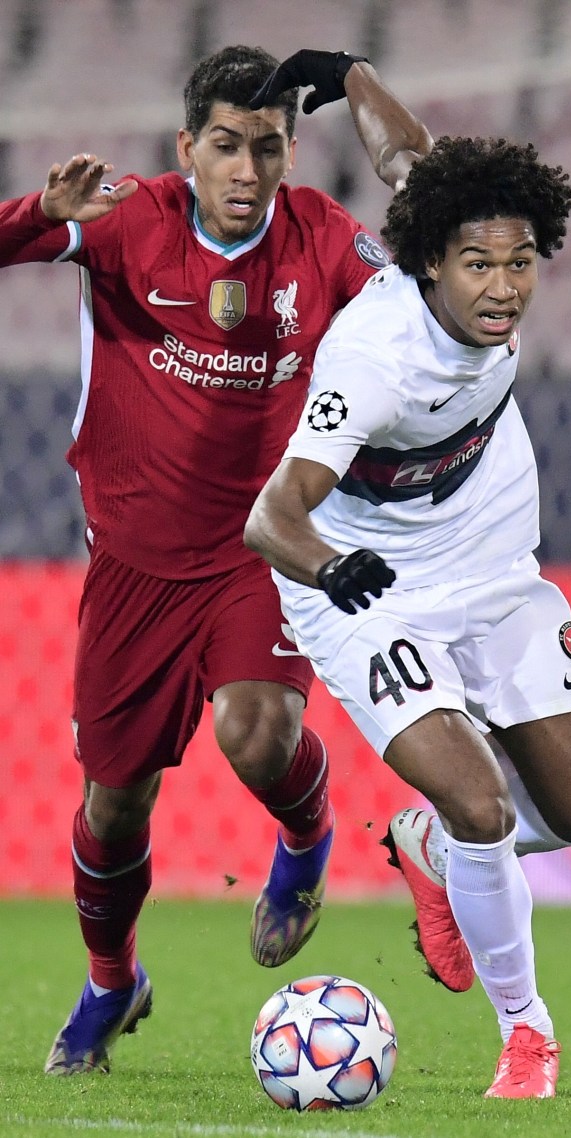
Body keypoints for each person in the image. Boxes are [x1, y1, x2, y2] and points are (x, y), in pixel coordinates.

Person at [0, 46, 433, 1075]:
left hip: (256, 547)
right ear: (188, 147)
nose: (247, 171)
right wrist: (33, 211)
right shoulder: (123, 219)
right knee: (113, 803)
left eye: (269, 148)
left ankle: (305, 839)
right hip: (132, 565)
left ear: (290, 152)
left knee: (254, 728)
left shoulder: (322, 239)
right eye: (228, 147)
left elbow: (417, 289)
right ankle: (112, 980)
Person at [244, 134, 571, 1099]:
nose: (504, 288)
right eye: (480, 264)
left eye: (522, 262)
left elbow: (409, 152)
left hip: (492, 566)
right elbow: (271, 517)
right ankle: (527, 1037)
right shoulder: (374, 361)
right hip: (367, 591)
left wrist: (353, 70)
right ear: (429, 265)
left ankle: (434, 850)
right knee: (483, 800)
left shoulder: (472, 265)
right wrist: (335, 568)